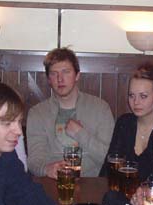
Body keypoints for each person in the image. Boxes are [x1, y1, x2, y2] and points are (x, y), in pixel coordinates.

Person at [27, 47, 114, 178]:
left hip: (92, 183)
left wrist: (80, 134)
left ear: (77, 75)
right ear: (49, 79)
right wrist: (47, 169)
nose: (60, 79)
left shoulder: (101, 108)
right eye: (54, 73)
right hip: (52, 183)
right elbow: (34, 160)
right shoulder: (37, 113)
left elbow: (109, 158)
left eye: (66, 72)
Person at [105, 63, 153, 182]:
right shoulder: (124, 123)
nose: (136, 102)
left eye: (143, 96)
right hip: (122, 190)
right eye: (131, 95)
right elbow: (109, 168)